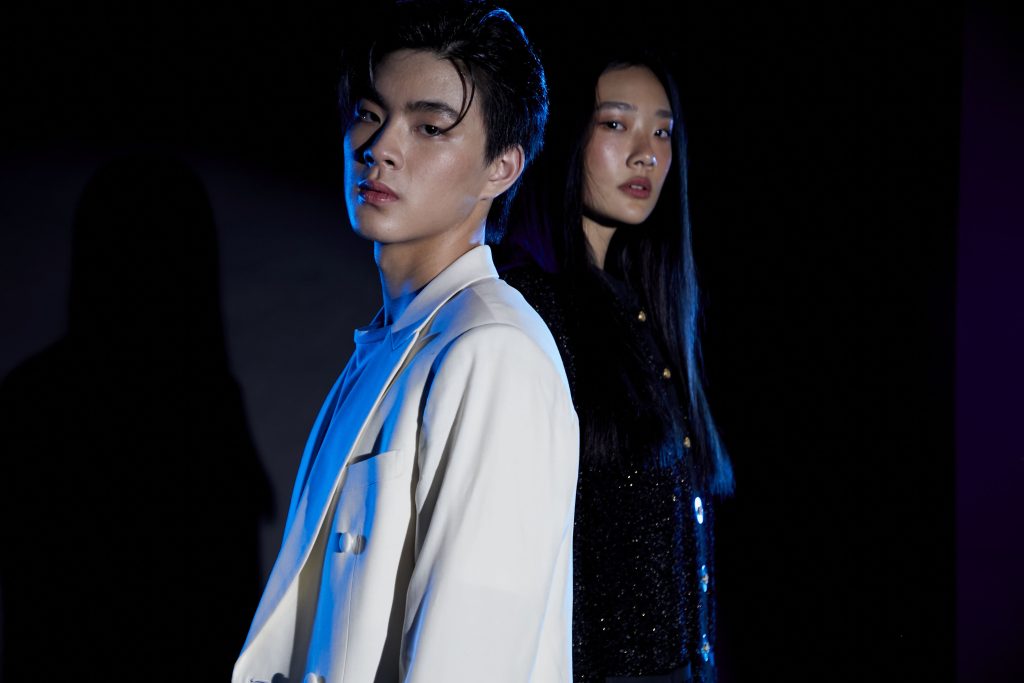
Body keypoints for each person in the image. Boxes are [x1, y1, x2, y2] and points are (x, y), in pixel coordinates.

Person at [232, 2, 579, 682]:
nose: (380, 147)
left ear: (501, 167)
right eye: (370, 113)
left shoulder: (492, 353)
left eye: (429, 127)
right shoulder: (396, 342)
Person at [498, 49, 735, 683]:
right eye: (615, 124)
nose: (646, 154)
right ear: (567, 135)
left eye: (662, 132)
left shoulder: (647, 306)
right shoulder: (532, 308)